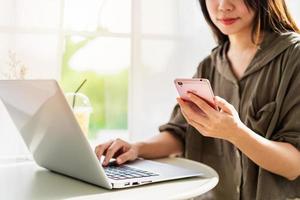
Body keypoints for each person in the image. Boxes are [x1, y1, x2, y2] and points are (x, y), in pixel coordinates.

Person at [95, 0, 300, 199]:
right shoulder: (208, 66)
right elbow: (180, 133)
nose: (223, 6)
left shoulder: (293, 57)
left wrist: (236, 133)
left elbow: (294, 165)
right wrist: (137, 148)